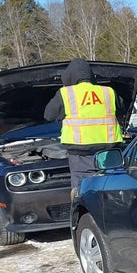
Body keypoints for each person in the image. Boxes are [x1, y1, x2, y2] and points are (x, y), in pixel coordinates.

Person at [44, 58, 124, 198]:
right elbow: (121, 110)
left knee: (81, 193)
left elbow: (49, 115)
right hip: (109, 152)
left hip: (80, 153)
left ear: (69, 76)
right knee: (110, 190)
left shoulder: (66, 93)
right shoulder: (108, 92)